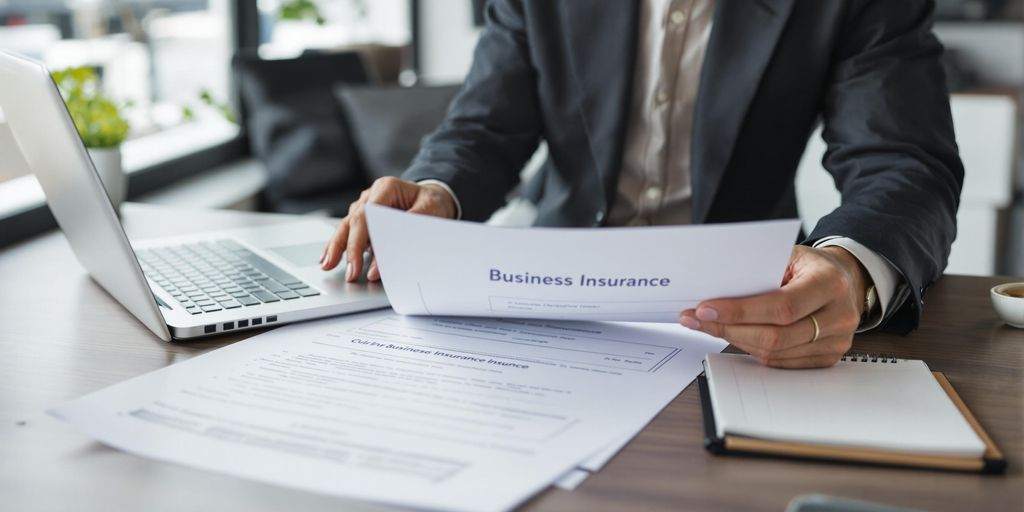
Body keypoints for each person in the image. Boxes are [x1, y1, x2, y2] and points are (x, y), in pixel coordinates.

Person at [320, 0, 963, 369]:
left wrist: (850, 269)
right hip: (550, 304)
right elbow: (485, 126)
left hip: (750, 316)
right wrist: (437, 189)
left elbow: (903, 158)